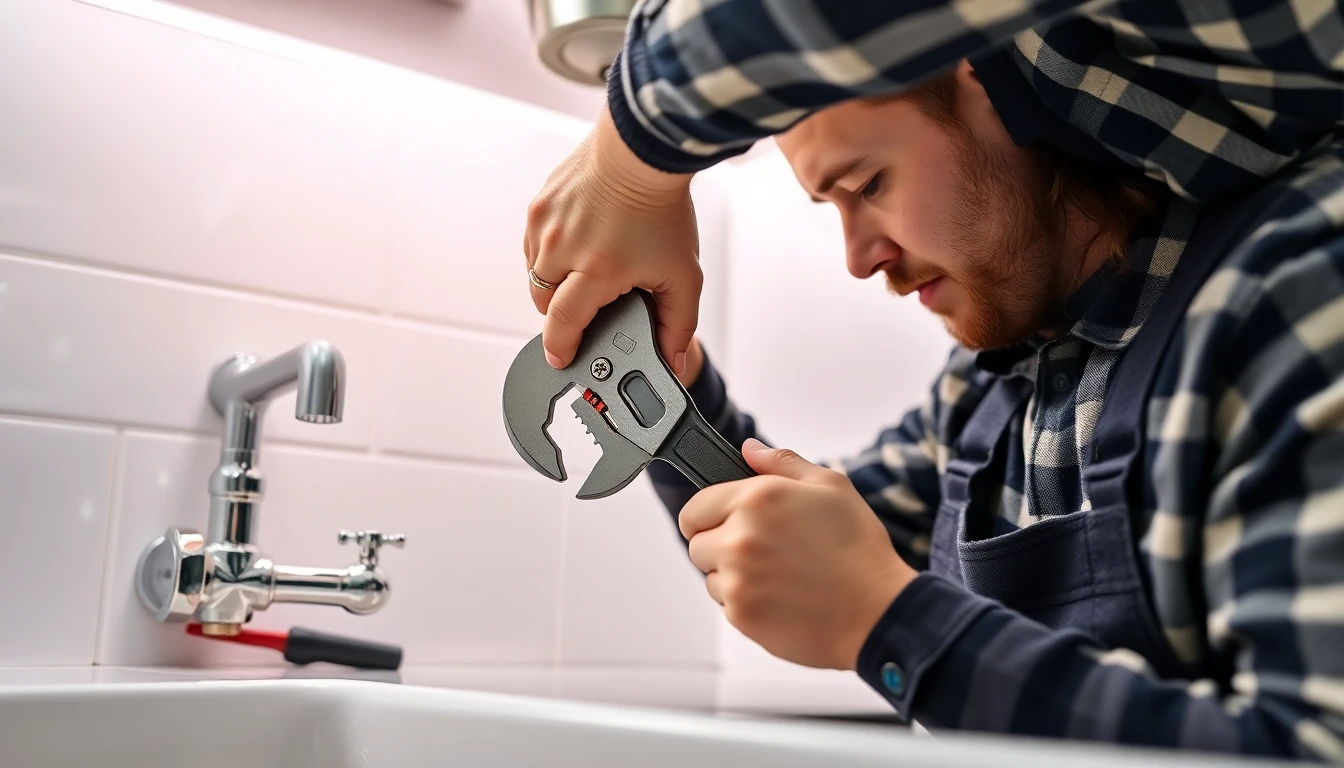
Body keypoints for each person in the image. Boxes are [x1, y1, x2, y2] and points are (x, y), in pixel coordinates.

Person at [522, 0, 1344, 759]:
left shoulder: (1298, 284)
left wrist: (886, 619)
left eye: (867, 186)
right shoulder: (995, 383)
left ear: (985, 81)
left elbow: (1307, 746)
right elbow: (803, 542)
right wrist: (663, 397)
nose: (857, 258)